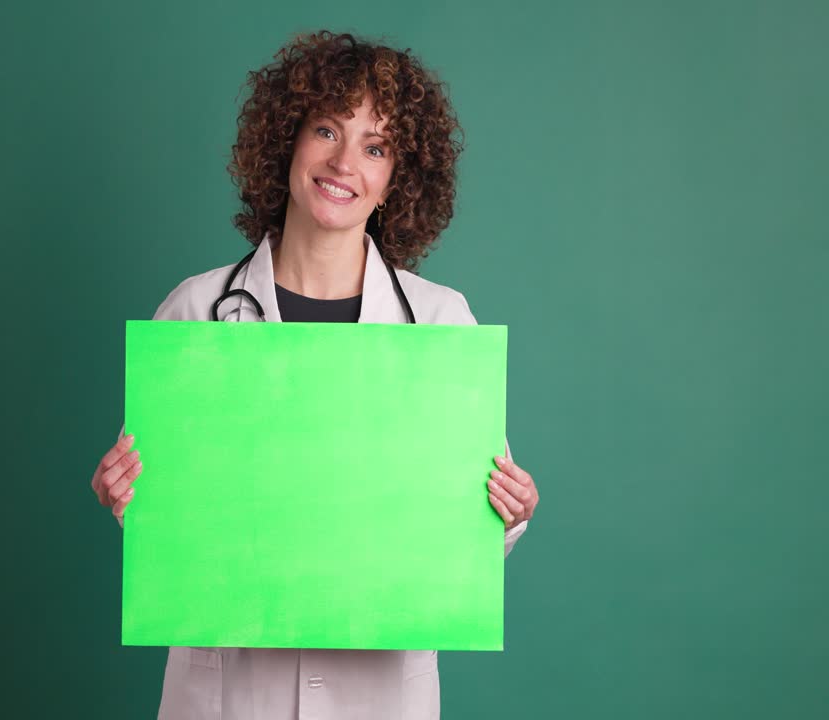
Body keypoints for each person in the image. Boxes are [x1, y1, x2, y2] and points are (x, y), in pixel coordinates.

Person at [89, 30, 540, 720]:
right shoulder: (195, 312)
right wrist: (127, 498)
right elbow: (174, 527)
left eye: (375, 146)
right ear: (287, 142)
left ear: (397, 177)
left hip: (380, 695)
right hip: (228, 696)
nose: (344, 162)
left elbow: (461, 531)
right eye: (326, 129)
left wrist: (509, 513)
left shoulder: (442, 324)